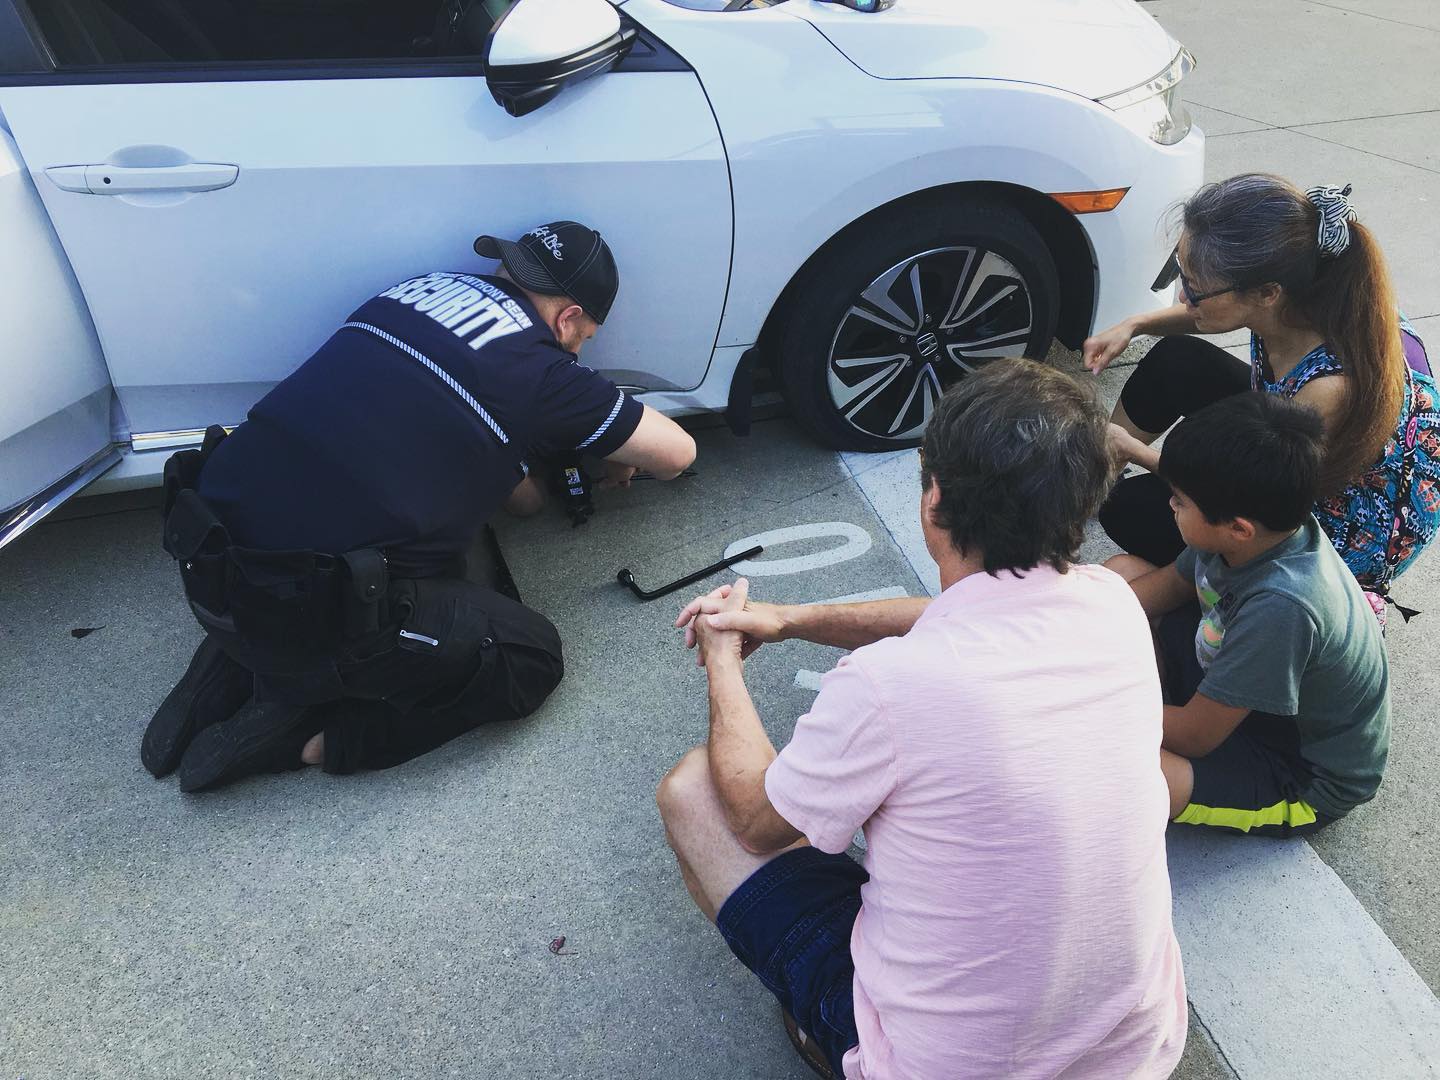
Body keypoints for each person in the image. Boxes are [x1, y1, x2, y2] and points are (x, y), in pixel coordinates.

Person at [658, 360, 1187, 1079]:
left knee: (695, 789)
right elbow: (953, 613)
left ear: (934, 499)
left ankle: (833, 1038)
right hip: (1132, 1053)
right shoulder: (1111, 603)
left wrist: (721, 655)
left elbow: (756, 819)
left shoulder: (888, 686)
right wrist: (790, 619)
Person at [145, 220, 696, 793]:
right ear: (568, 318)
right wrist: (610, 453)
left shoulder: (417, 289)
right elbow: (677, 454)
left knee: (415, 526)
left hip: (208, 547)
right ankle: (314, 737)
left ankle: (230, 660)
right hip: (301, 604)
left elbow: (520, 498)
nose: (579, 351)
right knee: (531, 659)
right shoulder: (546, 374)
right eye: (585, 339)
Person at [1085, 174, 1437, 619]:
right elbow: (1205, 316)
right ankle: (1093, 473)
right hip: (1302, 444)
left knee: (1129, 508)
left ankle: (1222, 600)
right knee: (1177, 358)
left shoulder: (1327, 391)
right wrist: (1134, 325)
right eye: (1182, 272)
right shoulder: (1304, 295)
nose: (1183, 295)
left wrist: (1135, 451)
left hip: (1342, 532)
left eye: (1195, 287)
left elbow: (1241, 496)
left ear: (1267, 293)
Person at [1107, 393, 1390, 837]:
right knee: (1118, 578)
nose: (1170, 506)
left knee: (1120, 767)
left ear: (1238, 528)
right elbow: (1161, 590)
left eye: (1180, 501)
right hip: (1241, 688)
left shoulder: (1285, 606)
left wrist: (1092, 699)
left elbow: (1195, 737)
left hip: (1294, 771)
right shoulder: (1257, 532)